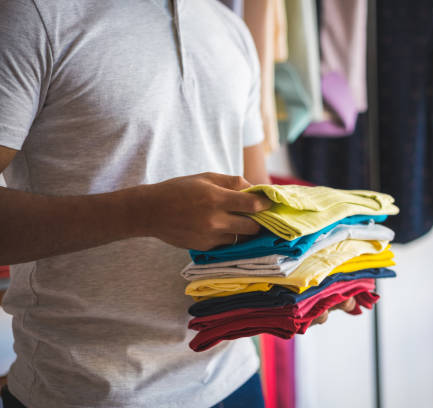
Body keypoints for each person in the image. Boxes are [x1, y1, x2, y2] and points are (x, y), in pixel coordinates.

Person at [0, 1, 355, 407]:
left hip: (233, 377)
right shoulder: (33, 15)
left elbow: (258, 200)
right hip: (88, 392)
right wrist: (141, 213)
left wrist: (313, 275)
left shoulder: (230, 28)